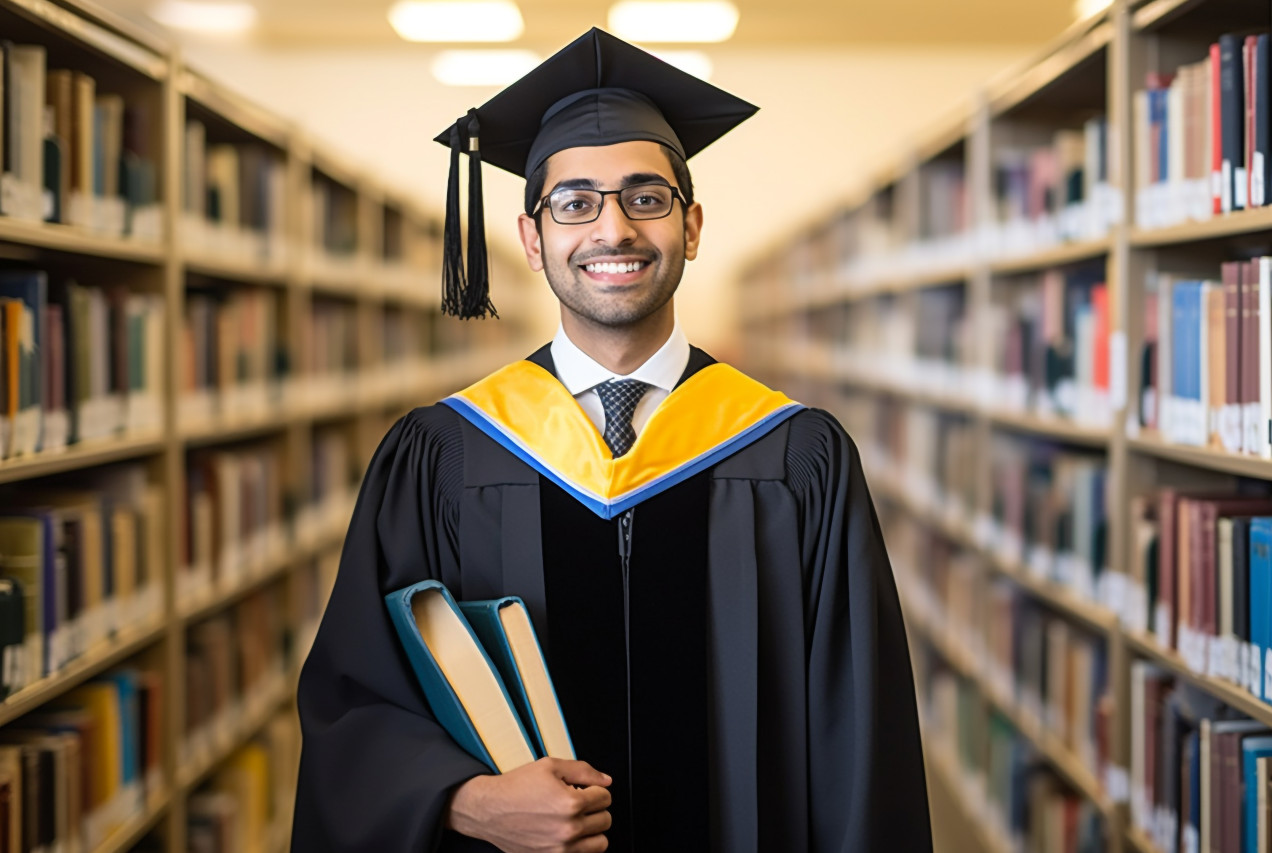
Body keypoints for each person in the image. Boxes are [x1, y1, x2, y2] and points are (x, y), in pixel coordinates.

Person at [291, 28, 931, 853]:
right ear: (533, 239)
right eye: (575, 202)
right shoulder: (445, 454)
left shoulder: (795, 457)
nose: (614, 229)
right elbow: (356, 700)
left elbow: (861, 738)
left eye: (646, 198)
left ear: (690, 227)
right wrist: (463, 799)